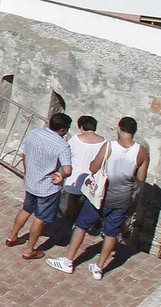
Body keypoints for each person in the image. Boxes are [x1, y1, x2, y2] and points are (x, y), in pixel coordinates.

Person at [50, 117, 148, 280]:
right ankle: (99, 268)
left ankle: (68, 261)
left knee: (81, 225)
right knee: (111, 233)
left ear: (120, 128)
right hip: (123, 198)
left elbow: (93, 167)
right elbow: (142, 178)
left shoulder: (109, 146)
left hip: (102, 196)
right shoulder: (142, 151)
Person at [6, 112, 73, 260]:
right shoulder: (62, 145)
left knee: (26, 209)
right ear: (62, 130)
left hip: (31, 182)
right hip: (47, 188)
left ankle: (12, 237)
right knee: (40, 218)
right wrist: (61, 175)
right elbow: (67, 170)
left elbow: (24, 155)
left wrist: (27, 171)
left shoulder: (34, 133)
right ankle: (29, 250)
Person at [62, 116, 106, 230]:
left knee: (73, 199)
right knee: (89, 201)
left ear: (81, 127)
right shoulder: (104, 142)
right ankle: (86, 223)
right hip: (93, 177)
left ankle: (72, 222)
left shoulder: (75, 140)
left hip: (76, 175)